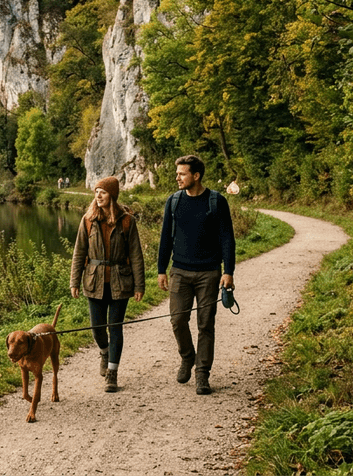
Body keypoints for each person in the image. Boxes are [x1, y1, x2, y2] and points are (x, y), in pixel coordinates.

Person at [157, 154, 236, 395]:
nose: (177, 178)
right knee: (177, 320)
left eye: (182, 174)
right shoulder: (174, 202)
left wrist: (228, 271)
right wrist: (161, 270)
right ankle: (187, 356)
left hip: (209, 273)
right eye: (177, 173)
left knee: (205, 324)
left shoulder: (216, 201)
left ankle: (202, 374)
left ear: (196, 175)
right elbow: (165, 237)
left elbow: (227, 238)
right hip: (179, 271)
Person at [70, 176, 145, 392]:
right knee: (97, 329)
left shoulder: (127, 221)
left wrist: (139, 285)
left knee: (115, 327)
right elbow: (79, 252)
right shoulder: (88, 220)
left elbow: (136, 255)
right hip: (94, 281)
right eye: (96, 192)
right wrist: (74, 281)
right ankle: (104, 351)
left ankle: (112, 373)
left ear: (112, 195)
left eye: (102, 192)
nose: (98, 196)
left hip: (120, 281)